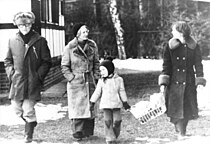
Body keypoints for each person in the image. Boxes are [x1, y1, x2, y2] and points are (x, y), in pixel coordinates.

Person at [4, 11, 52, 143]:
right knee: (16, 109)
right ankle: (31, 122)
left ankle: (28, 134)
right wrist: (11, 74)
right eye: (21, 25)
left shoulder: (40, 41)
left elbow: (47, 61)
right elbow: (8, 60)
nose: (24, 28)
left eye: (27, 25)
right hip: (18, 81)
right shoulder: (13, 40)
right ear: (17, 26)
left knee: (27, 109)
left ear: (31, 25)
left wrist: (38, 75)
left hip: (33, 81)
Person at [158, 21, 206, 139]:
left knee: (186, 107)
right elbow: (166, 65)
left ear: (180, 32)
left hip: (188, 81)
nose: (172, 32)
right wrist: (164, 82)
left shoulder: (194, 46)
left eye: (174, 30)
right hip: (174, 81)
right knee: (175, 107)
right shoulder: (169, 46)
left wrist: (199, 80)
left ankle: (182, 131)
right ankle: (180, 130)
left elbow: (198, 64)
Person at [61, 23, 100, 141]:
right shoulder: (70, 47)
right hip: (76, 81)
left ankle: (88, 131)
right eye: (83, 32)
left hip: (90, 79)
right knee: (77, 106)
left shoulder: (92, 46)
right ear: (77, 34)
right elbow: (64, 66)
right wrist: (71, 78)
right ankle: (78, 132)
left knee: (90, 105)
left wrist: (96, 76)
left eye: (87, 31)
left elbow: (97, 62)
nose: (86, 34)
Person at [90, 58, 131, 144]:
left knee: (117, 121)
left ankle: (114, 135)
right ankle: (110, 138)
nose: (102, 72)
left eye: (104, 70)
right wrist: (92, 102)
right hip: (106, 105)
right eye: (101, 71)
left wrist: (125, 102)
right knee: (107, 121)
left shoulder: (119, 80)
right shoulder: (101, 81)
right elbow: (97, 92)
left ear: (110, 69)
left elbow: (122, 91)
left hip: (116, 104)